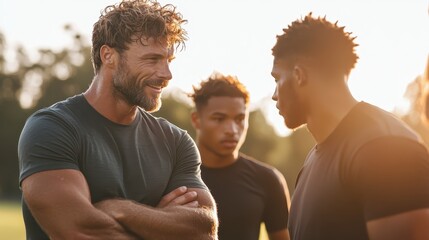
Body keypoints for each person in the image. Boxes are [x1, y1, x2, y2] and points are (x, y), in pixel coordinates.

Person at [17, 0, 218, 239]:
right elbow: (80, 232)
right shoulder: (52, 129)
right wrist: (157, 222)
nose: (166, 74)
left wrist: (120, 209)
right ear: (108, 55)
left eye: (168, 61)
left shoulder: (176, 142)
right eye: (152, 59)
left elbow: (204, 229)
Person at [270, 13, 429, 240]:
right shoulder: (312, 161)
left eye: (277, 79)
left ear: (298, 75)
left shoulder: (387, 147)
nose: (275, 95)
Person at [189, 73, 291, 240]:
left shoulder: (267, 179)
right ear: (196, 120)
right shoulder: (171, 176)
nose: (232, 130)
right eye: (219, 119)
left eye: (239, 119)